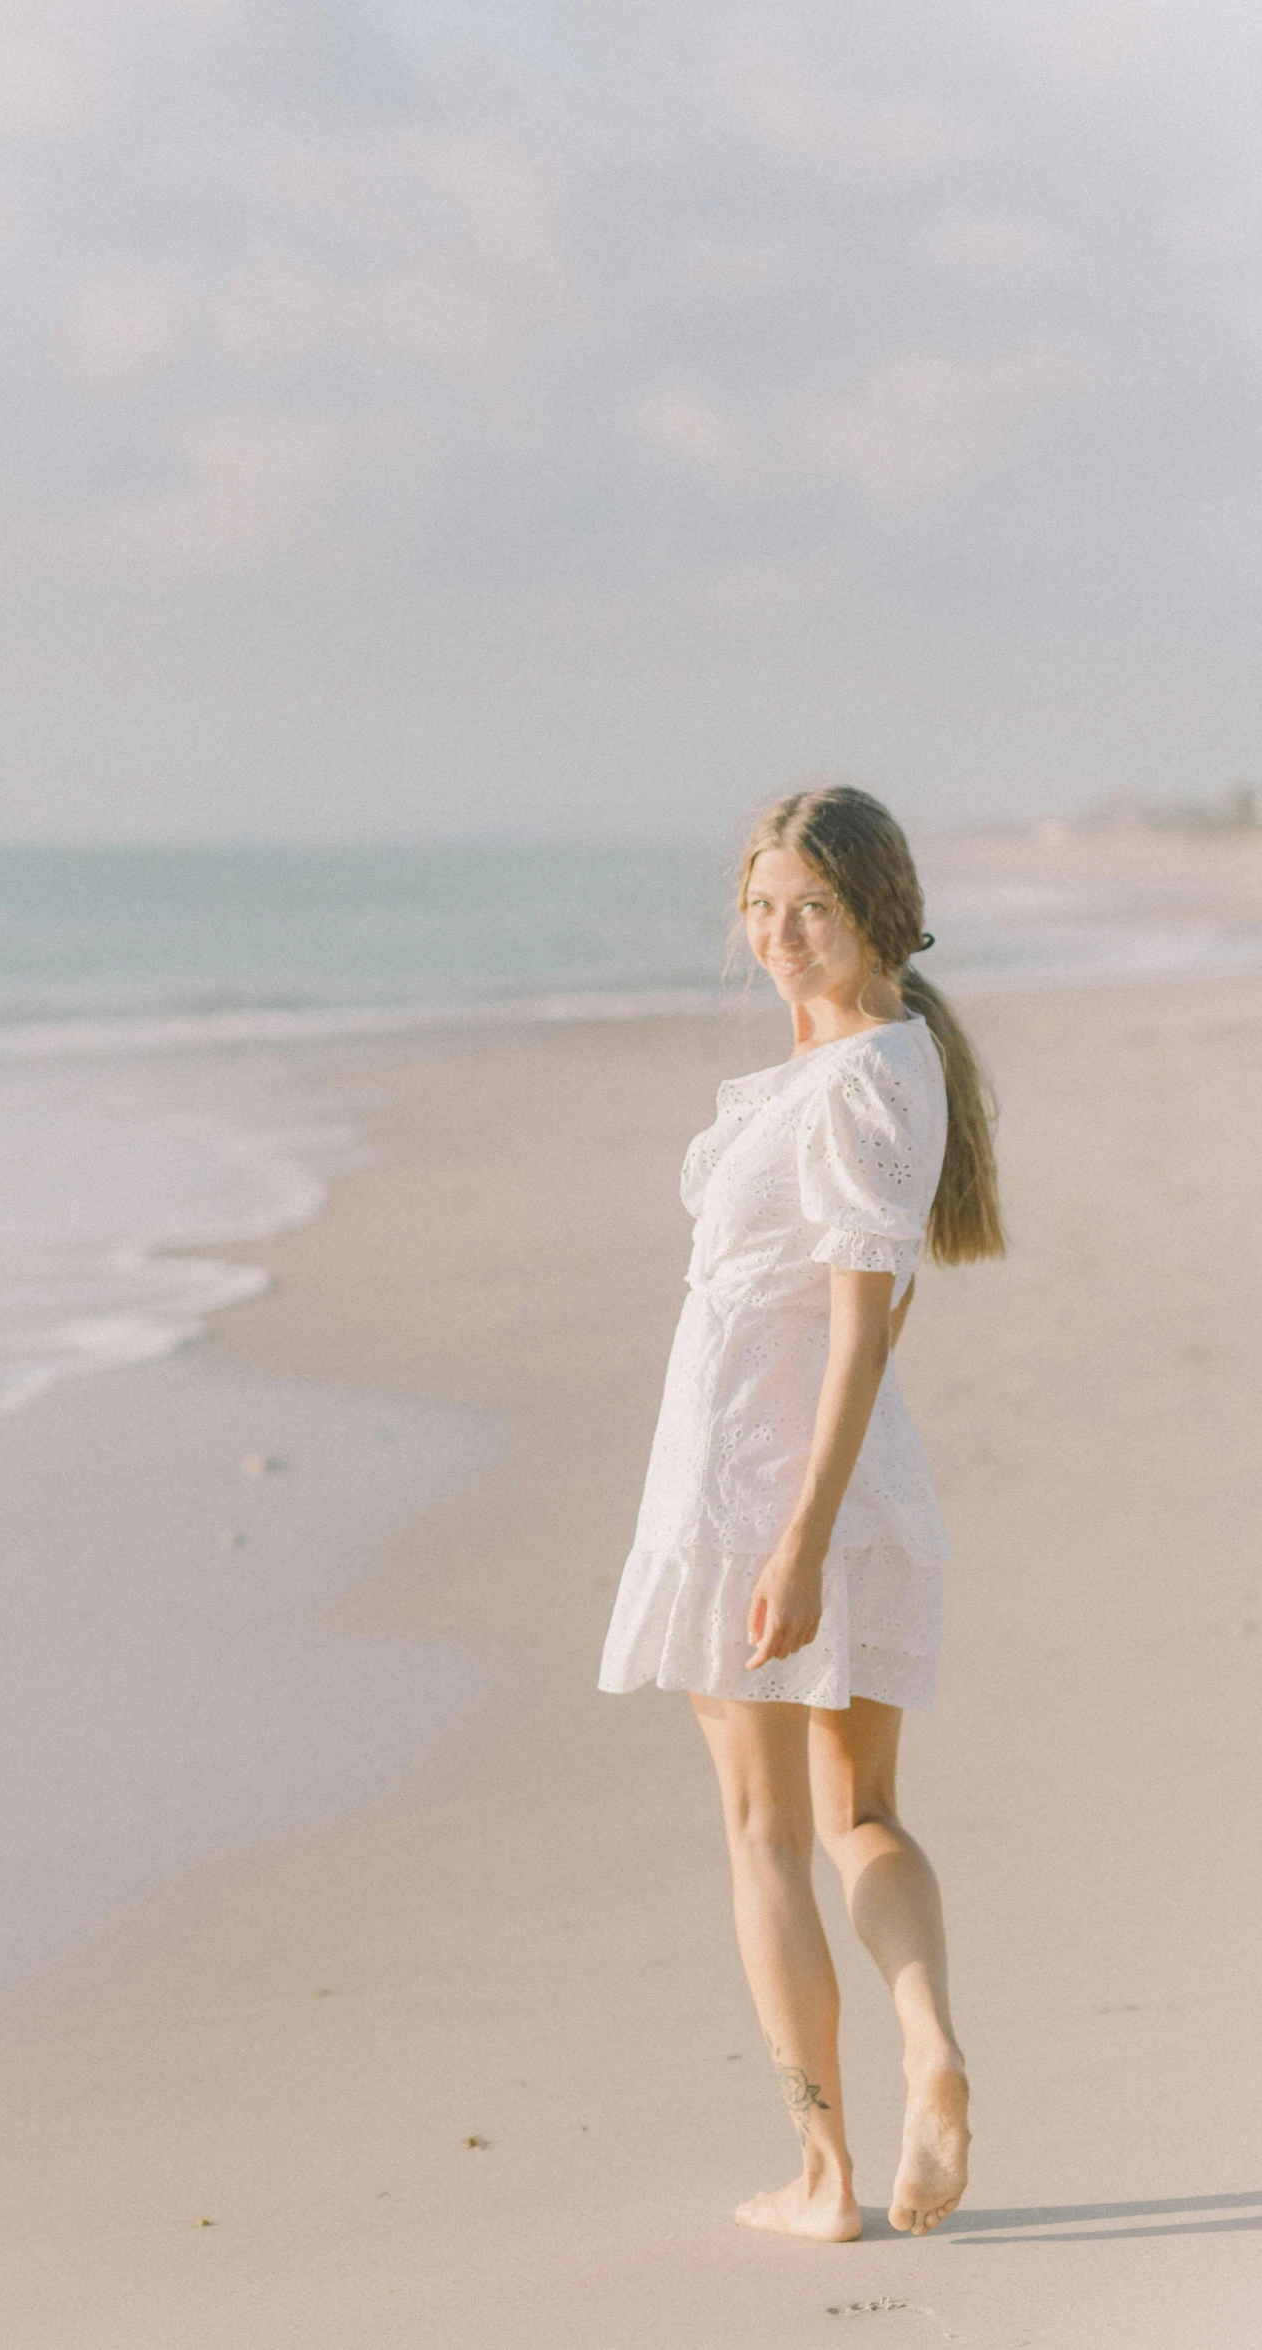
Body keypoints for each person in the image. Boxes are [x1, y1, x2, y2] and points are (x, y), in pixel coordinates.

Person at [598, 785, 1004, 2243]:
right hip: (844, 1483)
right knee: (860, 1812)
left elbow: (854, 1330)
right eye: (760, 908)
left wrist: (792, 1537)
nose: (775, 935)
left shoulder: (850, 1085)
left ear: (873, 913)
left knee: (767, 1830)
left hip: (761, 1494)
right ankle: (931, 2049)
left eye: (807, 910)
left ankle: (826, 2175)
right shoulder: (885, 1061)